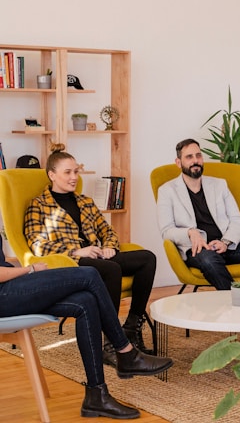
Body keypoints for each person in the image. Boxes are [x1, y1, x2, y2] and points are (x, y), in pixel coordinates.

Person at [0, 236, 173, 420]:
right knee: (90, 274)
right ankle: (125, 351)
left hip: (10, 290)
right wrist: (30, 269)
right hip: (5, 296)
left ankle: (96, 395)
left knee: (85, 302)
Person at [24, 144, 156, 366]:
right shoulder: (38, 206)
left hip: (97, 256)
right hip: (71, 262)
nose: (74, 177)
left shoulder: (85, 202)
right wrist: (76, 251)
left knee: (147, 258)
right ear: (52, 175)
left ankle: (132, 327)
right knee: (111, 269)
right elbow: (37, 245)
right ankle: (110, 342)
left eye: (76, 171)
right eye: (68, 172)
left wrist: (110, 247)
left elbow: (107, 230)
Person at [156, 138, 240, 290]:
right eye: (189, 157)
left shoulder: (219, 184)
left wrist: (226, 242)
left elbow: (236, 219)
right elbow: (166, 231)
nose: (195, 160)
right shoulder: (167, 191)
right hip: (198, 249)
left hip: (228, 245)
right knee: (210, 261)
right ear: (178, 162)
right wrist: (190, 233)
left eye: (198, 155)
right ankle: (236, 302)